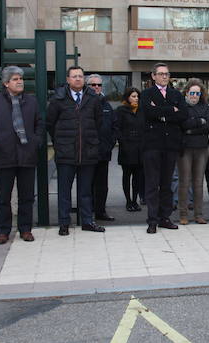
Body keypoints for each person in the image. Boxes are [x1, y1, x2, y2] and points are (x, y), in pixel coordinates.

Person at [0, 66, 43, 244]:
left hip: (27, 157)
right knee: (3, 197)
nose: (20, 81)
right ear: (6, 83)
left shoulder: (31, 101)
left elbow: (39, 123)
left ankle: (25, 229)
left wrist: (35, 141)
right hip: (4, 156)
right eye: (15, 79)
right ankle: (3, 231)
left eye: (21, 78)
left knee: (27, 197)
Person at [47, 66, 105, 235]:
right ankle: (64, 223)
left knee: (86, 191)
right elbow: (50, 123)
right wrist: (60, 142)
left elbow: (98, 122)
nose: (78, 79)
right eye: (74, 76)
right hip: (66, 152)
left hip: (88, 152)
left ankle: (87, 221)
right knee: (64, 191)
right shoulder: (58, 99)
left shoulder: (93, 98)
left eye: (80, 76)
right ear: (68, 79)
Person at [140, 63, 188, 234]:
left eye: (166, 74)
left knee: (167, 184)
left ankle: (165, 217)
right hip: (152, 145)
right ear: (153, 76)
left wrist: (160, 112)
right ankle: (152, 220)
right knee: (152, 184)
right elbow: (148, 113)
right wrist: (170, 111)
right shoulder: (146, 94)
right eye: (160, 74)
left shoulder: (176, 94)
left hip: (171, 145)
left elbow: (183, 115)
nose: (164, 77)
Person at [177, 79, 209, 225]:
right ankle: (183, 214)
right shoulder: (181, 106)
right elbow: (182, 124)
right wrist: (199, 122)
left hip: (201, 148)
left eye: (197, 93)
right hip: (185, 148)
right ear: (187, 92)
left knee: (198, 182)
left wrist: (191, 128)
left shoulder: (205, 106)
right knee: (184, 182)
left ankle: (199, 214)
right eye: (192, 92)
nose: (194, 96)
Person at [87, 74, 117, 222]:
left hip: (103, 152)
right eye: (93, 85)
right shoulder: (84, 103)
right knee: (87, 184)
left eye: (99, 85)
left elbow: (113, 127)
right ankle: (87, 213)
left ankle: (100, 211)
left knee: (102, 186)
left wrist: (110, 144)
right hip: (87, 153)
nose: (97, 87)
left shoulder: (107, 105)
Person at [115, 87, 145, 212]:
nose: (136, 98)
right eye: (133, 96)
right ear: (127, 97)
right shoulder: (121, 110)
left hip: (140, 149)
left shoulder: (142, 111)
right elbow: (117, 128)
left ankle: (135, 201)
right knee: (127, 176)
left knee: (138, 177)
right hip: (127, 149)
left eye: (137, 96)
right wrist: (123, 142)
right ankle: (128, 201)